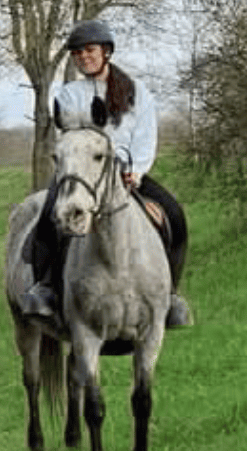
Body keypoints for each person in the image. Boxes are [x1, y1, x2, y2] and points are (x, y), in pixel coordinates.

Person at [20, 19, 192, 328]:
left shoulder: (137, 92)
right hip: (83, 174)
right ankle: (46, 287)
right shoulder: (68, 95)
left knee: (174, 215)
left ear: (106, 52)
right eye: (77, 53)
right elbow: (70, 138)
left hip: (127, 174)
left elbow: (146, 135)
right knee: (47, 219)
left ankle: (171, 297)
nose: (84, 57)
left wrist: (136, 171)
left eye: (90, 50)